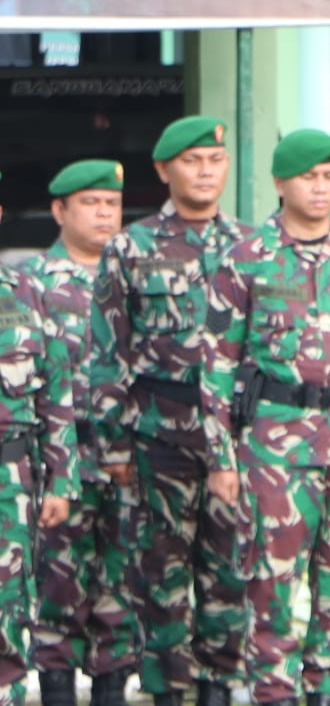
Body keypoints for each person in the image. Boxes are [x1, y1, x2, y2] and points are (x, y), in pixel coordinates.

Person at [200, 128, 330, 706]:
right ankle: (273, 694)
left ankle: (328, 692)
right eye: (308, 177)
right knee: (272, 581)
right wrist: (221, 457)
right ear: (280, 183)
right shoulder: (246, 258)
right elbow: (217, 364)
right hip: (276, 443)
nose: (321, 187)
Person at [89, 116, 250, 706]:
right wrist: (113, 444)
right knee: (160, 581)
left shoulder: (251, 247)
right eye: (191, 161)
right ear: (164, 170)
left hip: (235, 442)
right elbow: (108, 352)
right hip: (159, 439)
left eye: (215, 160)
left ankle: (219, 691)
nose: (205, 172)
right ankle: (166, 696)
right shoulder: (129, 248)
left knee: (231, 576)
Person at [26, 161, 134, 706]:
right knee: (57, 592)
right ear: (59, 210)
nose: (103, 214)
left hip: (128, 463)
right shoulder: (31, 284)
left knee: (120, 592)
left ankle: (112, 690)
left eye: (111, 203)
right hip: (60, 465)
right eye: (90, 203)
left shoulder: (137, 278)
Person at [0, 177, 79, 706]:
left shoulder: (25, 293)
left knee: (8, 607)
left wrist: (61, 478)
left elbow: (56, 391)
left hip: (11, 484)